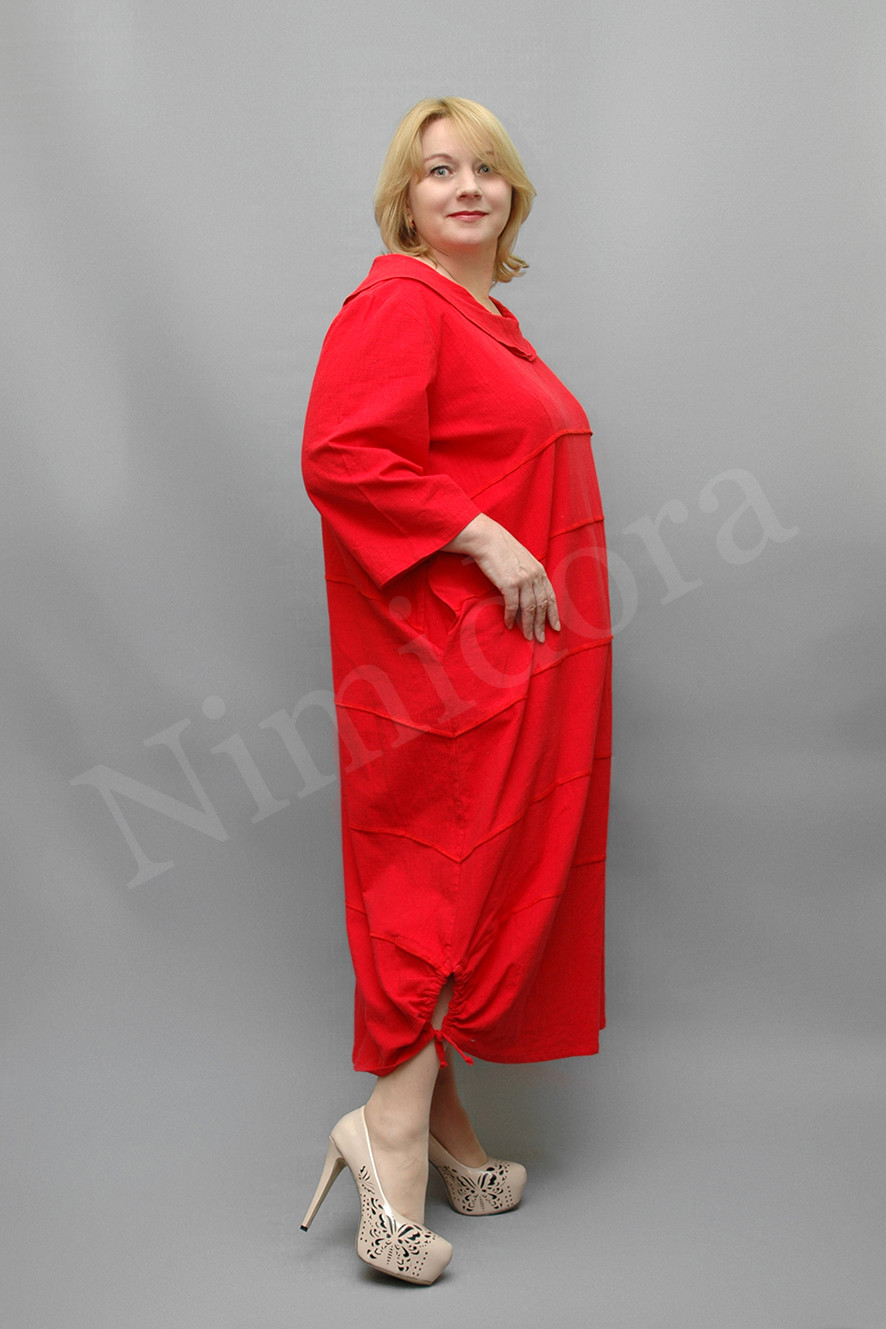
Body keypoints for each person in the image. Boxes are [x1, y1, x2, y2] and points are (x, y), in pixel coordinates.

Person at [299, 97, 612, 1285]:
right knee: (444, 880)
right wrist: (486, 537)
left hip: (517, 660)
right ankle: (385, 1133)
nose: (466, 185)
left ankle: (445, 1128)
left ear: (512, 192)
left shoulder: (491, 324)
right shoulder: (399, 302)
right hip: (450, 666)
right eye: (439, 171)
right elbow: (343, 452)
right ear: (406, 200)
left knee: (492, 874)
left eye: (485, 167)